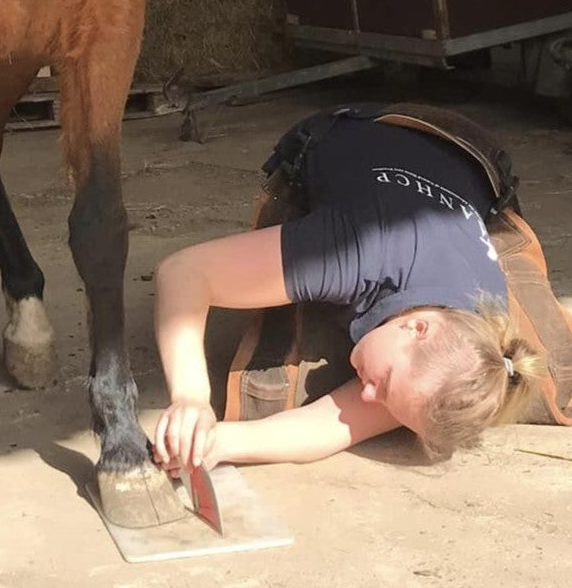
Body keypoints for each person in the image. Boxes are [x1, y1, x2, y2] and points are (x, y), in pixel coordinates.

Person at [150, 108, 546, 474]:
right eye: (384, 384)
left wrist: (218, 443)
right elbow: (183, 272)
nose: (368, 395)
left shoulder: (474, 345)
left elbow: (336, 425)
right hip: (363, 128)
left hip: (459, 155)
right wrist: (191, 398)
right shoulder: (354, 250)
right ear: (418, 327)